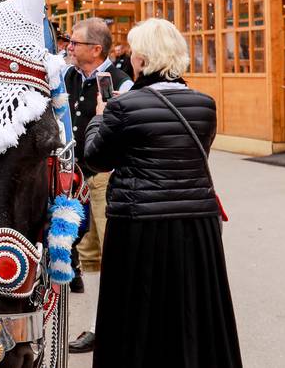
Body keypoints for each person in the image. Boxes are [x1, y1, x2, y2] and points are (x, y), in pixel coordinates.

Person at [84, 18, 242, 367]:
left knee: (138, 315)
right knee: (192, 309)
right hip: (196, 223)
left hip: (139, 222)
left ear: (142, 59)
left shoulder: (123, 108)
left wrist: (100, 117)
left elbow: (96, 158)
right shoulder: (204, 105)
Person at [64, 18, 132, 352]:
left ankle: (119, 326)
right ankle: (97, 324)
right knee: (88, 253)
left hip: (105, 178)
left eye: (74, 42)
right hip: (74, 177)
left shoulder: (122, 83)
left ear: (95, 49)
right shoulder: (68, 76)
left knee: (113, 251)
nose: (69, 47)